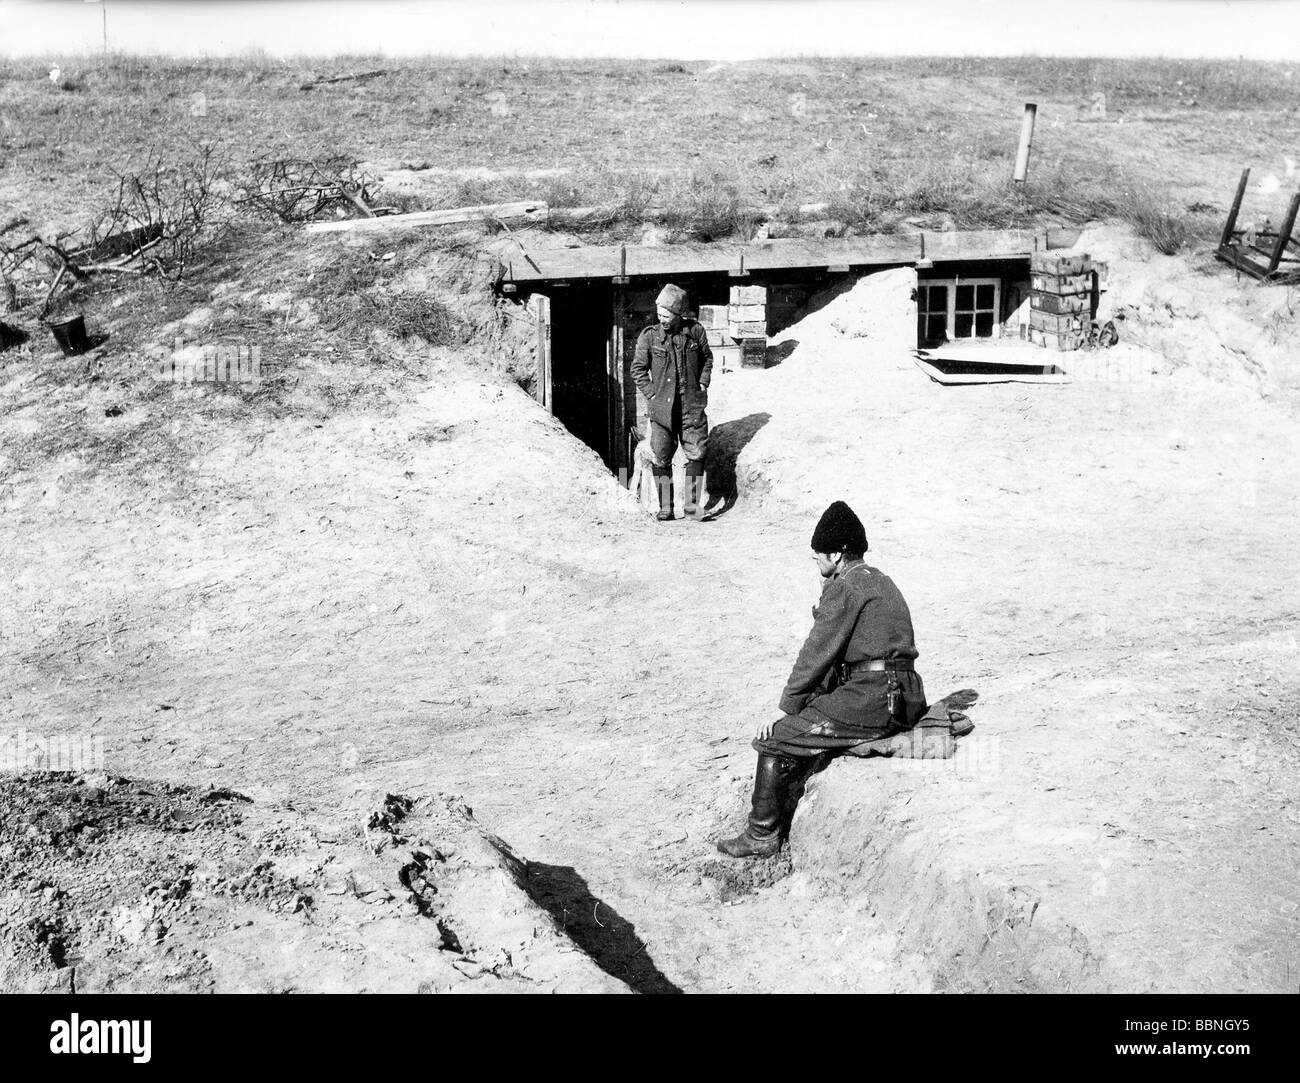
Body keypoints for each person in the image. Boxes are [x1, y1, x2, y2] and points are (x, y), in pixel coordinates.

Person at [717, 501, 927, 858]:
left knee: (775, 738)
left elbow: (817, 653)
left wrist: (783, 708)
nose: (816, 564)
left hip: (876, 699)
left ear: (836, 554)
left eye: (818, 558)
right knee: (813, 711)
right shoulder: (880, 580)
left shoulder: (846, 587)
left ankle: (761, 835)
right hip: (905, 696)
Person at [631, 283, 712, 521]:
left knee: (697, 452)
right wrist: (651, 394)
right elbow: (637, 369)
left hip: (691, 406)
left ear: (679, 314)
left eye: (667, 315)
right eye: (659, 314)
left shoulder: (695, 332)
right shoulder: (649, 336)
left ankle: (692, 507)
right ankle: (666, 507)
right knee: (661, 455)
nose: (662, 319)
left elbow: (707, 359)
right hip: (662, 410)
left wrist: (703, 382)